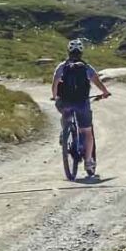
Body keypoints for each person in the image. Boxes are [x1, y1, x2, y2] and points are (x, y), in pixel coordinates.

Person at [51, 39, 110, 178]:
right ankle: (89, 162)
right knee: (87, 131)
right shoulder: (87, 67)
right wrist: (105, 92)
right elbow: (98, 82)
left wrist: (55, 97)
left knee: (65, 113)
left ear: (68, 52)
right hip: (82, 103)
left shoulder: (62, 66)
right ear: (81, 52)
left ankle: (65, 131)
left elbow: (54, 84)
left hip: (65, 102)